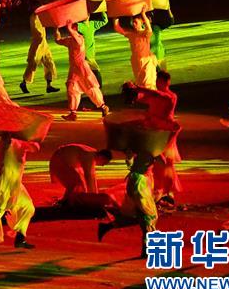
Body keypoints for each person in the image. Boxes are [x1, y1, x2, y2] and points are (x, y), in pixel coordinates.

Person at [125, 70, 181, 205]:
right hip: (153, 132)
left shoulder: (171, 96)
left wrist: (138, 87)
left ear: (163, 81)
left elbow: (156, 94)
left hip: (165, 133)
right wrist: (133, 92)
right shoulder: (156, 96)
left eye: (158, 80)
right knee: (153, 163)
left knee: (167, 165)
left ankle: (168, 192)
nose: (156, 82)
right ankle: (155, 190)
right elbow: (144, 98)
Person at [97, 150, 157, 257]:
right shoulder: (138, 174)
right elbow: (138, 194)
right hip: (140, 192)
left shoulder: (139, 169)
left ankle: (109, 226)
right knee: (147, 220)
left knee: (142, 219)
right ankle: (147, 250)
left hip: (141, 189)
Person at [55, 22, 109, 121]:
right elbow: (58, 40)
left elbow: (75, 38)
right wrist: (56, 29)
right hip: (74, 69)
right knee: (72, 89)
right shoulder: (70, 40)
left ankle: (103, 106)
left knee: (90, 88)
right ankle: (73, 113)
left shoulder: (80, 39)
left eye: (73, 27)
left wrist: (69, 28)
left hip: (82, 68)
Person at [49, 144, 113, 204]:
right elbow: (88, 176)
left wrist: (94, 195)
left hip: (61, 160)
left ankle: (68, 200)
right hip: (59, 161)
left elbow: (91, 177)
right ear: (101, 157)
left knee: (78, 182)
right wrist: (94, 197)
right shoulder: (89, 156)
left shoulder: (91, 154)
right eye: (104, 162)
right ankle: (64, 201)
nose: (103, 165)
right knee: (75, 182)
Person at [114, 11, 157, 89]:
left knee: (148, 82)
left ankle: (152, 94)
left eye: (135, 22)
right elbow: (117, 28)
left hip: (146, 61)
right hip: (136, 61)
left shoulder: (145, 33)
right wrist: (115, 16)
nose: (133, 24)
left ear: (142, 22)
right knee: (140, 81)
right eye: (133, 22)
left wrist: (143, 14)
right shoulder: (131, 34)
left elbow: (149, 28)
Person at [20, 11, 59, 94]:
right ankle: (24, 83)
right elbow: (36, 30)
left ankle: (49, 86)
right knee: (32, 64)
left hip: (43, 43)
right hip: (38, 43)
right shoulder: (34, 16)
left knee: (49, 63)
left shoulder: (40, 15)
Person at [76, 12, 108, 86]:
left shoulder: (92, 24)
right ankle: (98, 87)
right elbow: (71, 28)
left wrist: (102, 11)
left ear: (89, 15)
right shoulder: (79, 26)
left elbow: (105, 21)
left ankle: (91, 86)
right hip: (85, 53)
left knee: (88, 71)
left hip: (91, 53)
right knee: (95, 70)